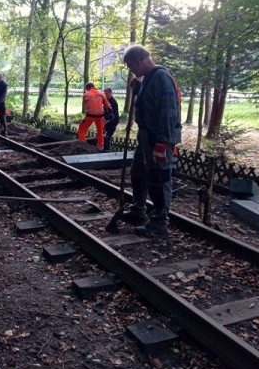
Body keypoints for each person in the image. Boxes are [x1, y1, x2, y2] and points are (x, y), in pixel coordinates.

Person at [122, 45, 181, 238]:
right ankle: (139, 209)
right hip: (146, 137)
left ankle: (159, 223)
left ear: (140, 61)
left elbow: (168, 113)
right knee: (138, 172)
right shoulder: (147, 79)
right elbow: (148, 105)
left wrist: (162, 144)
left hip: (159, 138)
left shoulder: (161, 78)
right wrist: (138, 89)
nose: (132, 71)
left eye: (132, 67)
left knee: (159, 179)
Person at [77, 82, 112, 152]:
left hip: (90, 115)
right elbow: (108, 105)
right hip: (100, 115)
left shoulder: (85, 94)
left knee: (82, 129)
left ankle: (82, 144)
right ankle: (100, 147)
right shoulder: (101, 94)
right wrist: (109, 112)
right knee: (100, 131)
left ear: (87, 88)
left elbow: (86, 105)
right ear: (93, 87)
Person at [103, 87, 119, 152]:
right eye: (104, 94)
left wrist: (106, 120)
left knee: (108, 136)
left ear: (110, 93)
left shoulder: (113, 102)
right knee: (105, 135)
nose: (105, 95)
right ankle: (105, 148)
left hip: (112, 122)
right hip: (107, 121)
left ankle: (107, 149)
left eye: (106, 94)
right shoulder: (106, 101)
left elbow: (113, 114)